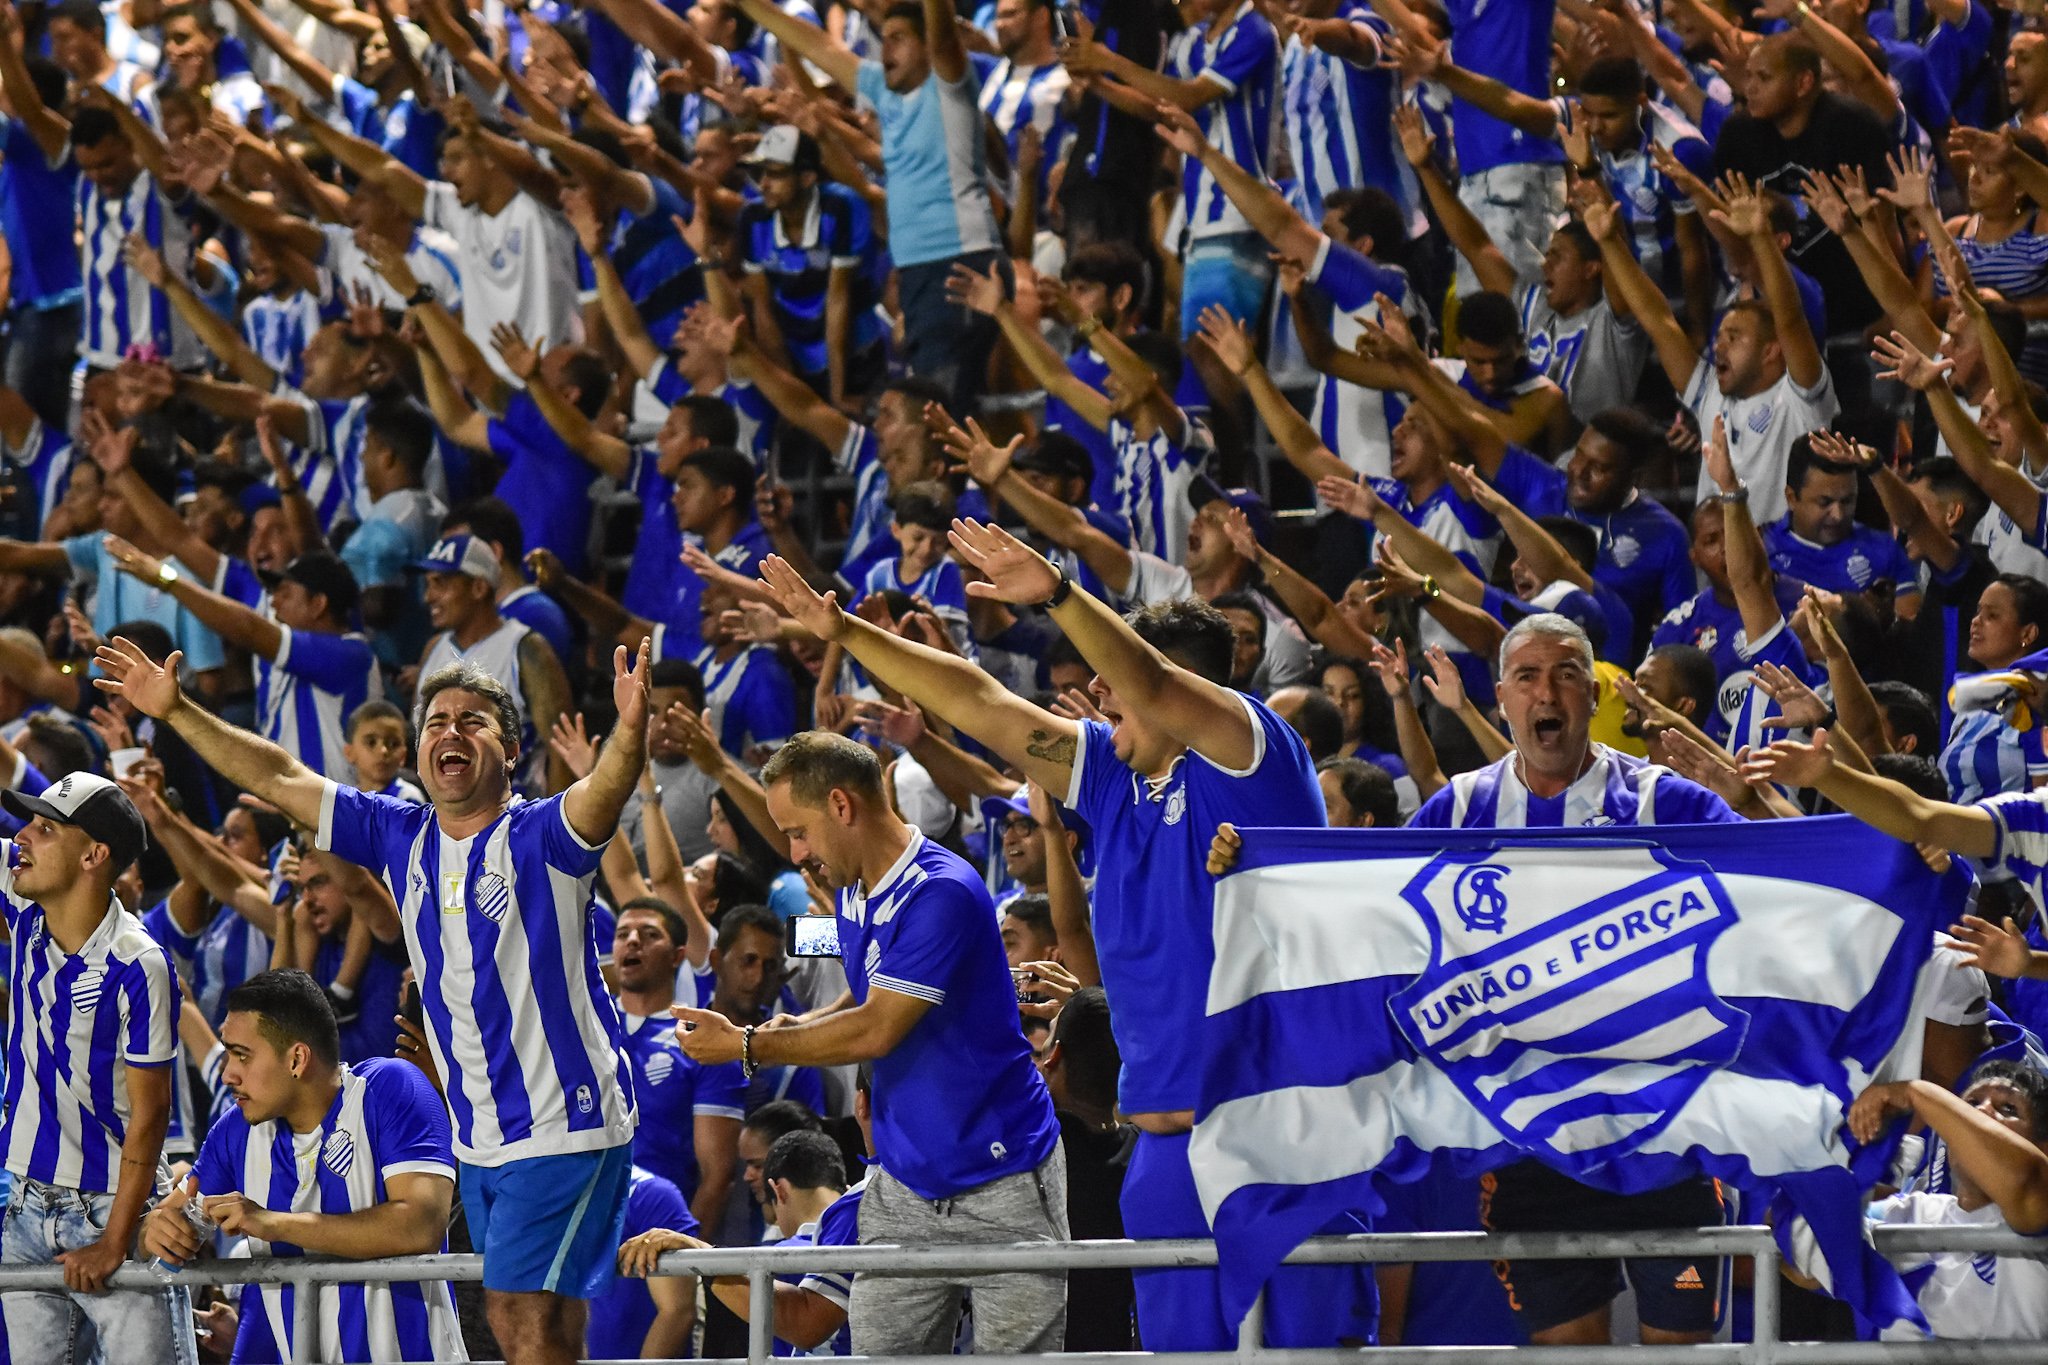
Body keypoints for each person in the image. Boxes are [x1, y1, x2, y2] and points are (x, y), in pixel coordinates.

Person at [753, 540, 1370, 1349]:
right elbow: (981, 703)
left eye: (1113, 691)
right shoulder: (1116, 777)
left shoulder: (1257, 760)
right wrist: (846, 632)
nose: (1096, 698)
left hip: (1280, 1144)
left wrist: (1062, 597)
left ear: (1185, 695)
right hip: (1161, 1151)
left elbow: (1147, 679)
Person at [92, 635, 656, 1365]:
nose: (449, 731)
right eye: (436, 721)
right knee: (538, 1325)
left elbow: (603, 791)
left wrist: (630, 735)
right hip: (480, 1134)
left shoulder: (542, 833)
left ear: (512, 752)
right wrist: (177, 710)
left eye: (473, 721)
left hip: (564, 1119)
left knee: (524, 1322)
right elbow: (280, 774)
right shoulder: (400, 832)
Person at [1409, 614, 1749, 1347]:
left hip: (1665, 1137)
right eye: (1526, 676)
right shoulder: (1463, 809)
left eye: (1565, 672)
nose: (1546, 690)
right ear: (1500, 697)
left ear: (1592, 694)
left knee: (1681, 1357)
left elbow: (1773, 874)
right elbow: (1373, 917)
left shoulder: (1665, 802)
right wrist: (1247, 862)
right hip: (1529, 1146)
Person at [675, 729, 1067, 1356]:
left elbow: (880, 1024)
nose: (797, 854)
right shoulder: (852, 892)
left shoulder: (945, 890)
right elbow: (863, 997)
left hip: (1005, 1174)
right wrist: (795, 1027)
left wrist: (749, 1044)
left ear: (840, 805)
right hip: (902, 1182)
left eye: (799, 832)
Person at [140, 969, 464, 1362]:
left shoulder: (390, 1087)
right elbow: (167, 1222)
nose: (227, 1073)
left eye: (241, 1055)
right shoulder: (236, 1130)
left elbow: (420, 1225)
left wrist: (269, 1223)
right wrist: (159, 1230)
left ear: (296, 1058)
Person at [0, 770, 186, 1363]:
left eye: (45, 828)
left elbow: (152, 1113)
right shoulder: (25, 904)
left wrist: (114, 1241)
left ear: (93, 855)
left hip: (115, 1212)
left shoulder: (141, 964)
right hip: (25, 1205)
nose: (22, 837)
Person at [737, 0, 1004, 408]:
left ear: (928, 46)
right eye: (886, 38)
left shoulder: (949, 88)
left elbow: (946, 36)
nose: (886, 49)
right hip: (918, 273)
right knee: (943, 409)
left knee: (940, 412)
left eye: (900, 39)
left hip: (960, 265)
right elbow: (820, 48)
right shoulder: (885, 92)